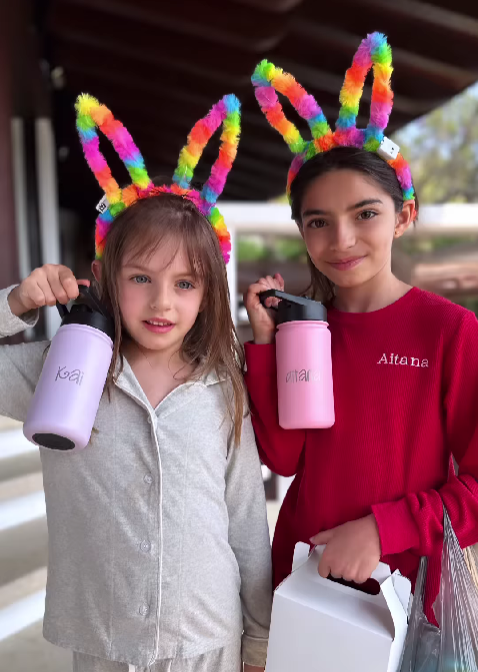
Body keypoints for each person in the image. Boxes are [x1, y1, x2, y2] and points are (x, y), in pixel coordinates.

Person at [0, 93, 271, 671]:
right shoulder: (59, 368)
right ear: (101, 276)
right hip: (104, 639)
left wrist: (258, 639)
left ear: (208, 292)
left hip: (208, 639)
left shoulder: (223, 387)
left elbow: (246, 519)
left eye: (185, 284)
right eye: (141, 277)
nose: (161, 302)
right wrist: (16, 303)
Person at [244, 32, 478, 624]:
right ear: (302, 231)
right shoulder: (303, 330)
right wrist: (267, 346)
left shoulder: (450, 331)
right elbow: (285, 457)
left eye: (365, 214)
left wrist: (382, 528)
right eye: (319, 221)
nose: (341, 240)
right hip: (300, 579)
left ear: (404, 217)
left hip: (398, 599)